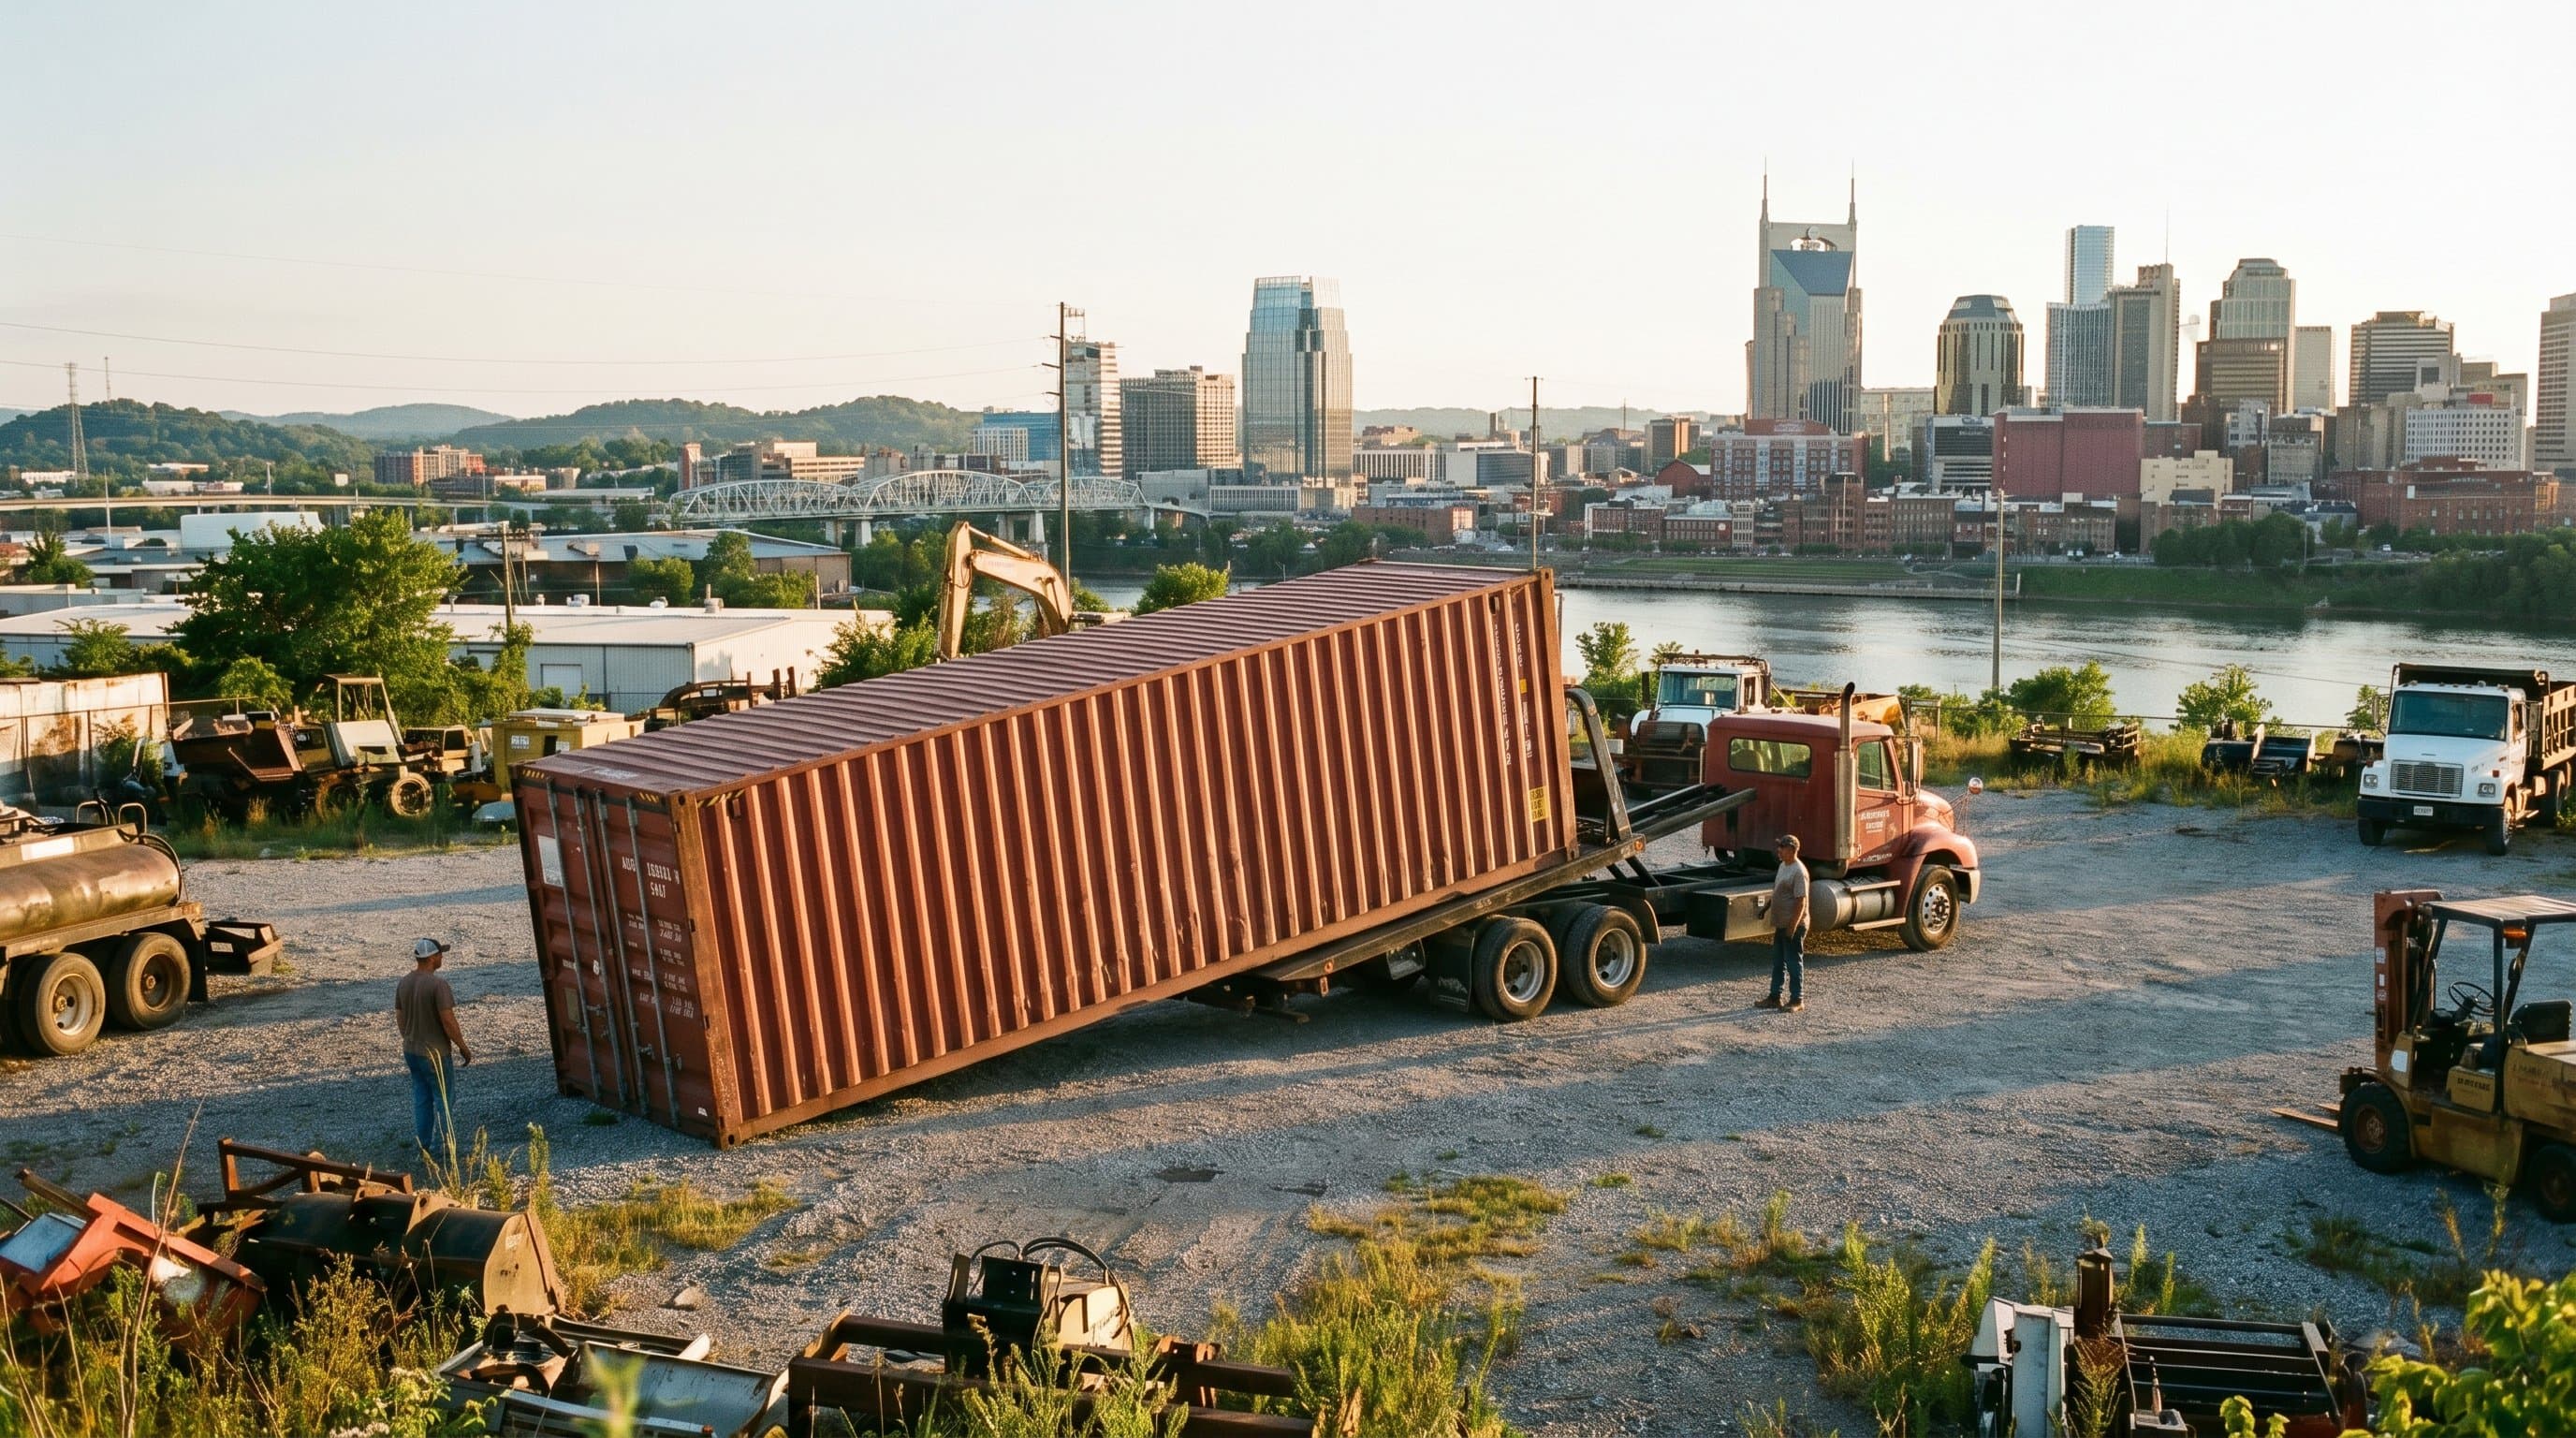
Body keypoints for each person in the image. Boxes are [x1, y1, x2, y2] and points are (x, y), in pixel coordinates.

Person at [396, 937, 474, 1158]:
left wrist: (410, 1038)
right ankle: (445, 1148)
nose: (442, 958)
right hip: (435, 1053)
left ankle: (424, 1145)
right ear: (431, 958)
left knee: (422, 1098)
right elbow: (448, 1020)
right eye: (440, 954)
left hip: (411, 1050)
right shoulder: (438, 985)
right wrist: (462, 1046)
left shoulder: (404, 982)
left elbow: (400, 1017)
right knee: (444, 1100)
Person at [1756, 834, 1809, 1013]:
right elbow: (1778, 891)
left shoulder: (1798, 871)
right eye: (1779, 847)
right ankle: (1774, 997)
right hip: (1781, 923)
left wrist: (1792, 928)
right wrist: (1766, 908)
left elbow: (1801, 901)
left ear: (1793, 850)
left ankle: (1797, 999)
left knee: (1793, 962)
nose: (1778, 850)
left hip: (1793, 925)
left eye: (1782, 847)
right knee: (1778, 962)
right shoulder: (1783, 866)